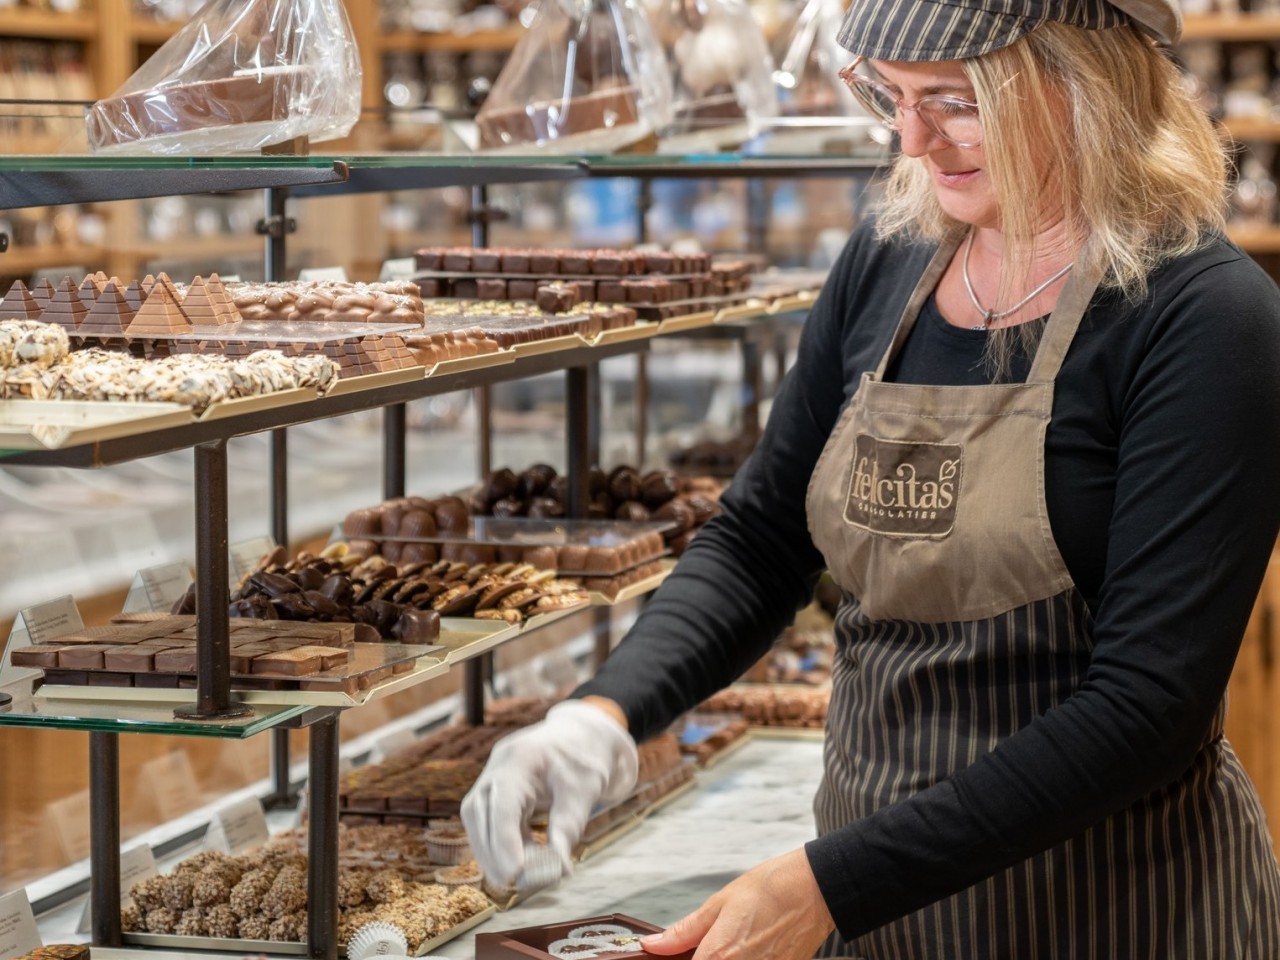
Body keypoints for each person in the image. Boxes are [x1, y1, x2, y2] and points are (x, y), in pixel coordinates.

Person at [462, 0, 1280, 954]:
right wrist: (602, 714)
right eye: (890, 95)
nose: (914, 138)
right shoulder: (890, 261)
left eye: (956, 100)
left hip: (1114, 910)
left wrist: (831, 885)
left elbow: (1146, 712)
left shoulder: (1209, 318)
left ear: (1083, 82)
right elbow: (762, 539)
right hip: (886, 912)